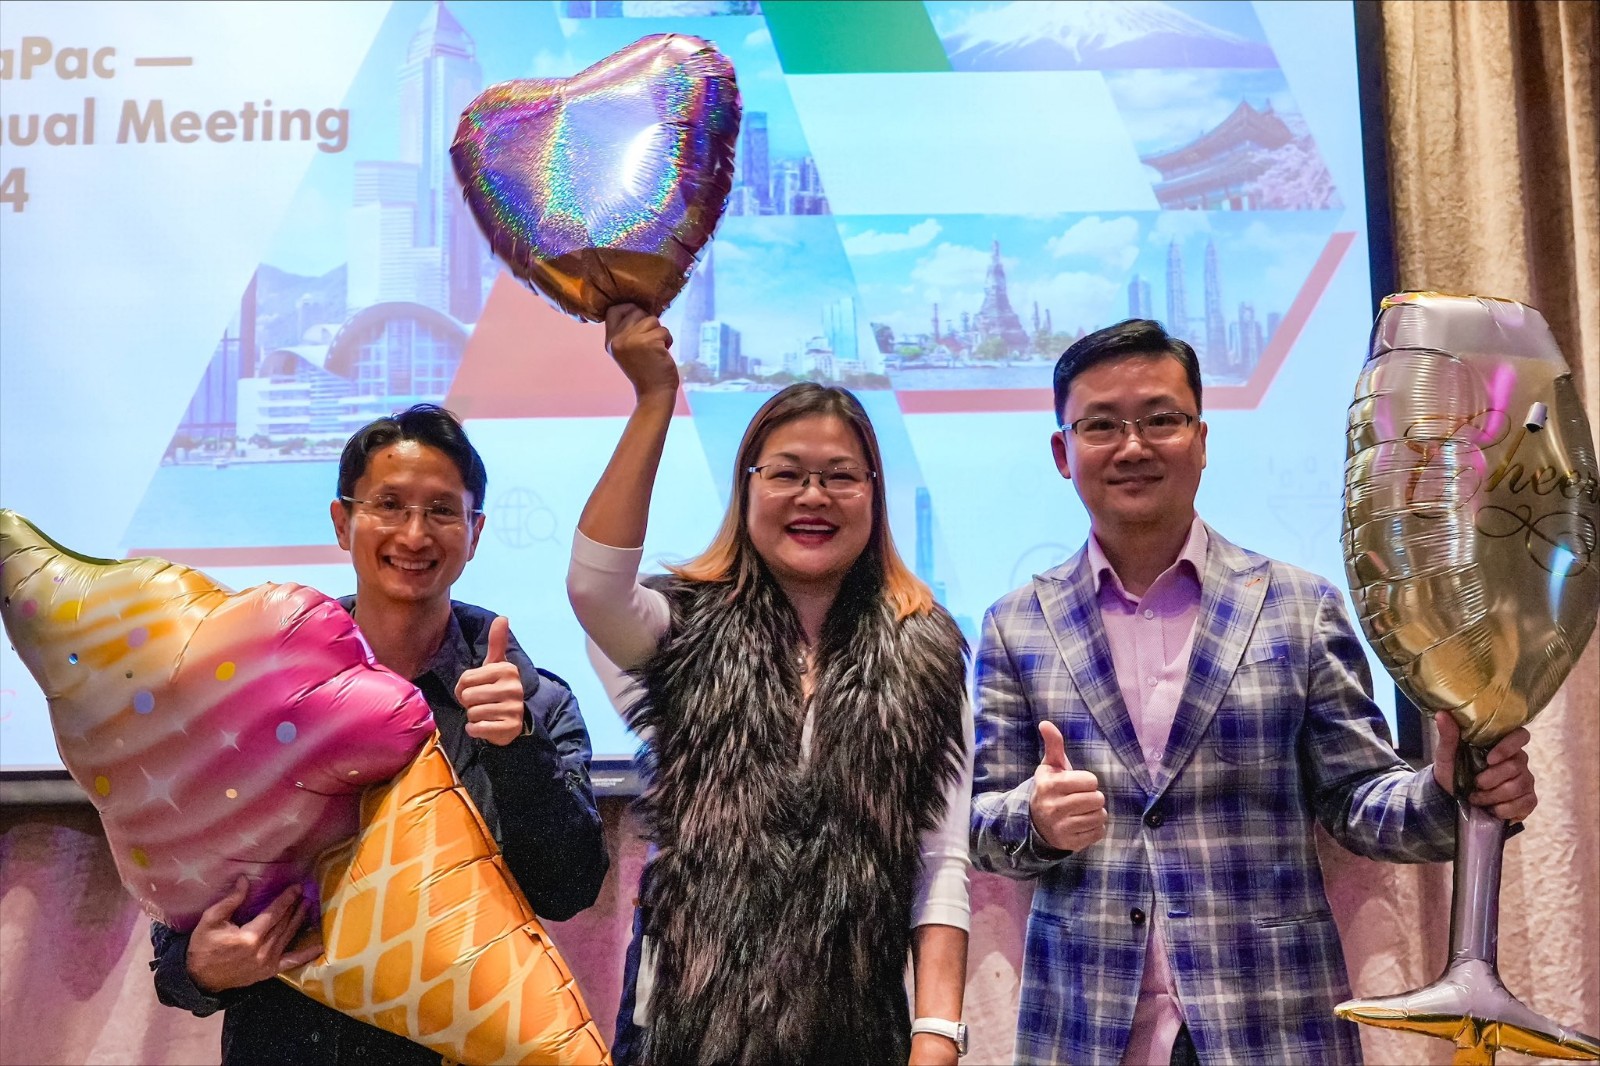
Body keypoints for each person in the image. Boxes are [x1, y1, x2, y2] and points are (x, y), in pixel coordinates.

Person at [968, 320, 1538, 1066]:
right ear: (1061, 452)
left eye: (1161, 420)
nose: (1133, 447)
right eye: (1101, 425)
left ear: (1202, 439)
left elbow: (1356, 801)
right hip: (1085, 1031)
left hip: (1274, 1024)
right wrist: (1036, 820)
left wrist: (1448, 791)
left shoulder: (1300, 606)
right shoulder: (1016, 624)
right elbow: (981, 823)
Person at [567, 304, 974, 1066]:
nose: (813, 496)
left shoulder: (925, 648)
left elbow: (940, 862)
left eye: (840, 476)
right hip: (686, 1031)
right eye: (786, 474)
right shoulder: (681, 627)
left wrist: (938, 1035)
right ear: (747, 488)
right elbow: (594, 588)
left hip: (857, 1035)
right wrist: (654, 399)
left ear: (874, 493)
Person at [149, 403, 609, 1064]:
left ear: (475, 532)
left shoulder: (531, 698)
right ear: (342, 522)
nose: (414, 534)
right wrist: (196, 968)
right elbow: (185, 901)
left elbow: (567, 890)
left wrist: (518, 751)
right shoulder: (257, 693)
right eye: (388, 505)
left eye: (442, 511)